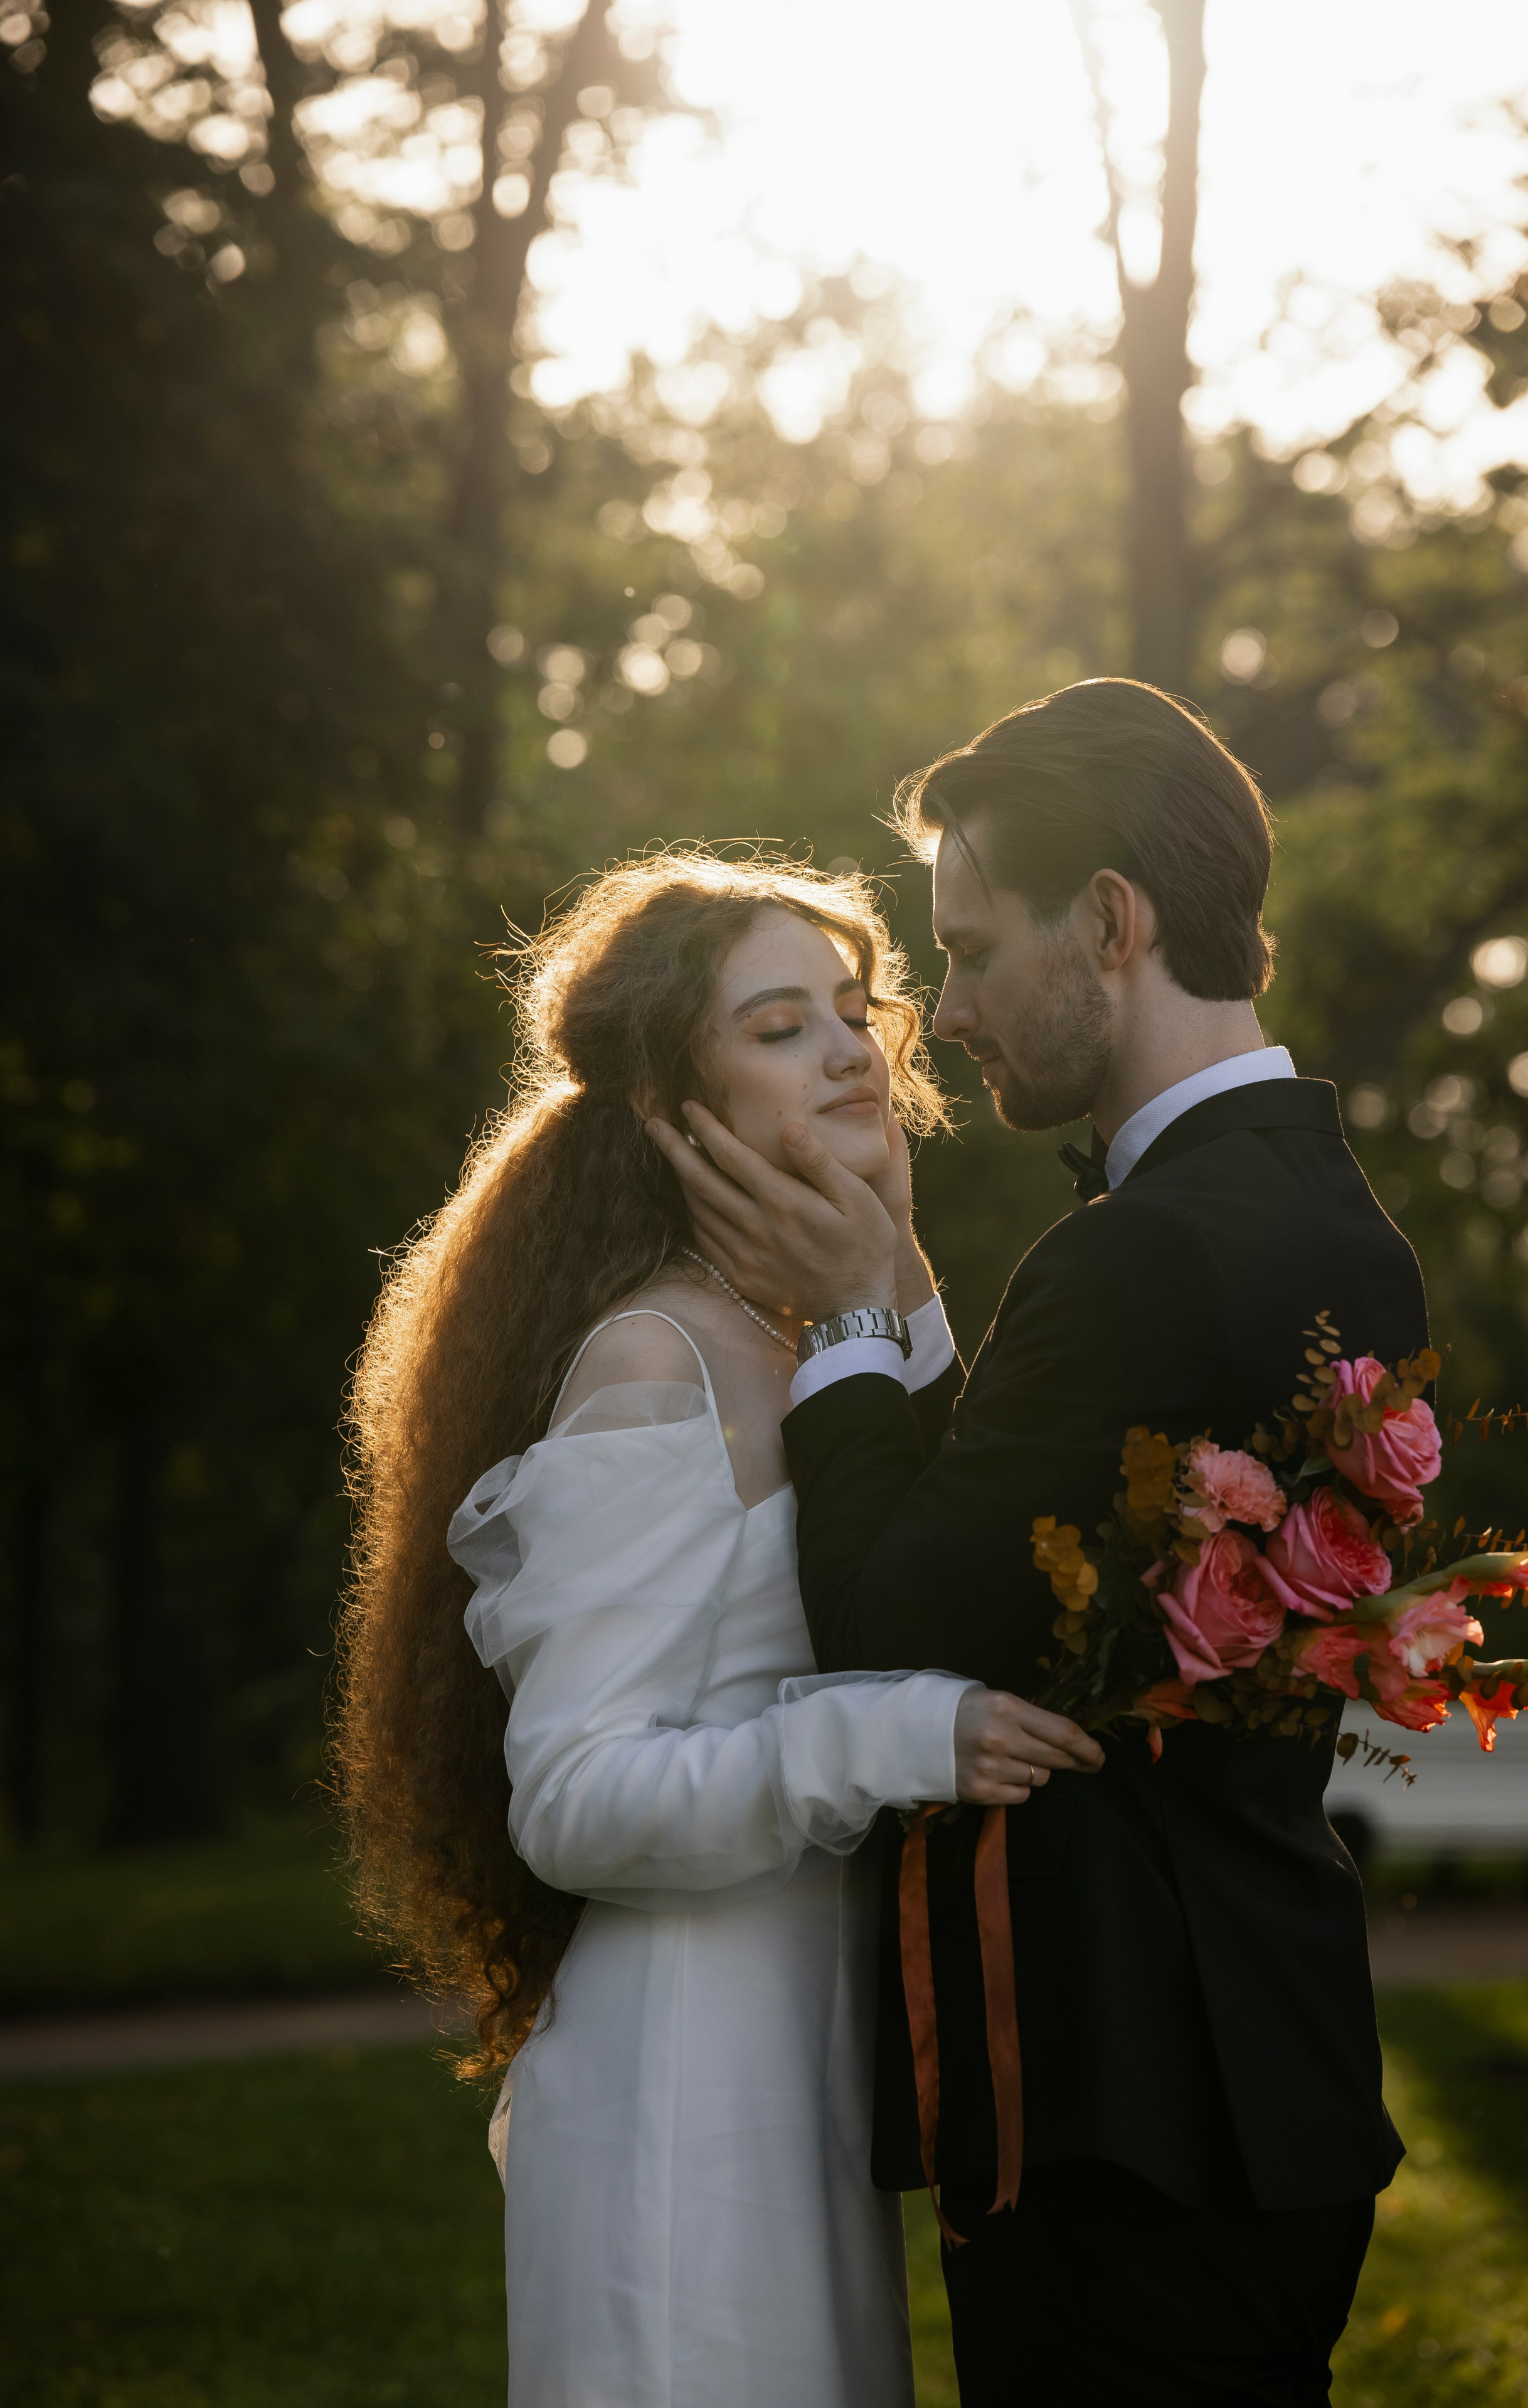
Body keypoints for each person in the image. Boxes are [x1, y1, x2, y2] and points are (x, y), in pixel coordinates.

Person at [649, 679, 1430, 2408]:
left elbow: (886, 1615)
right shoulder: (1326, 1212)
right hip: (1267, 2068)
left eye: (973, 947)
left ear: (1111, 920)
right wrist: (912, 1304)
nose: (947, 1013)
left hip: (1120, 2108)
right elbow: (1015, 1537)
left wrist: (855, 1312)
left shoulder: (1138, 1255)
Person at [336, 849, 1098, 2408]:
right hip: (682, 2090)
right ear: (665, 1103)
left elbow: (943, 1562)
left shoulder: (805, 1332)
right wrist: (894, 1735)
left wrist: (891, 1268)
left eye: (849, 1009)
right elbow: (571, 1793)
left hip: (806, 2067)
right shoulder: (652, 1362)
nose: (843, 1049)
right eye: (775, 1025)